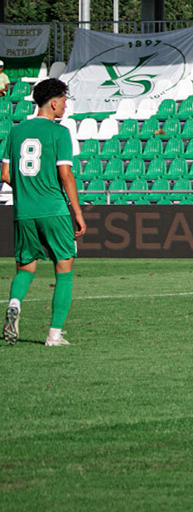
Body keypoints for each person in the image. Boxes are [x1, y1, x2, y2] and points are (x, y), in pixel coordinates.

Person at [2, 78, 86, 346]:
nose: (65, 106)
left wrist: (28, 189)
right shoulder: (59, 132)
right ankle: (54, 335)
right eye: (64, 101)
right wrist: (78, 212)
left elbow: (5, 174)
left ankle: (14, 303)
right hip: (53, 208)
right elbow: (66, 174)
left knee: (26, 267)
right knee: (64, 266)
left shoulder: (16, 132)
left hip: (23, 211)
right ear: (53, 103)